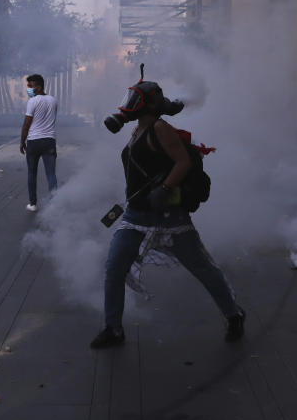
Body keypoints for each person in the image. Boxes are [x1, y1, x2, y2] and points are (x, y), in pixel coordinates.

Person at [89, 76, 244, 349]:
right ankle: (113, 329)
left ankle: (234, 314)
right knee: (114, 268)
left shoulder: (160, 128)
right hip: (135, 217)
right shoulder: (137, 129)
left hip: (169, 219)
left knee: (202, 269)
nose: (128, 105)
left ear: (148, 105)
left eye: (135, 100)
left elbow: (183, 162)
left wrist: (165, 187)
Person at [19, 73, 58, 212]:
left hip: (34, 142)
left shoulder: (33, 101)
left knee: (32, 173)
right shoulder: (53, 100)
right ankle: (54, 203)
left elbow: (26, 124)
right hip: (49, 141)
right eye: (28, 86)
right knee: (51, 174)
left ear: (39, 87)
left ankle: (33, 204)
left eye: (31, 86)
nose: (28, 89)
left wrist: (22, 142)